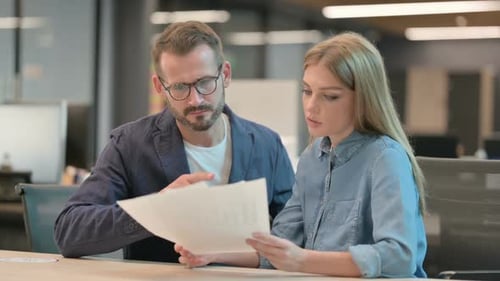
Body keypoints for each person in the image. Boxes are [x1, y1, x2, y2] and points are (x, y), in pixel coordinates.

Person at [175, 31, 428, 278]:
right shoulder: (312, 157)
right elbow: (281, 245)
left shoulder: (385, 158)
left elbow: (400, 257)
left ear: (363, 99)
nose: (311, 106)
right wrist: (214, 254)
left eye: (329, 96)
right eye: (307, 91)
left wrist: (303, 260)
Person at [54, 21, 295, 262]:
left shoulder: (267, 145)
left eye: (205, 82)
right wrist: (158, 209)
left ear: (226, 75)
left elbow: (297, 235)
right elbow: (69, 232)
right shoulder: (129, 144)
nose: (195, 100)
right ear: (160, 86)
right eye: (180, 87)